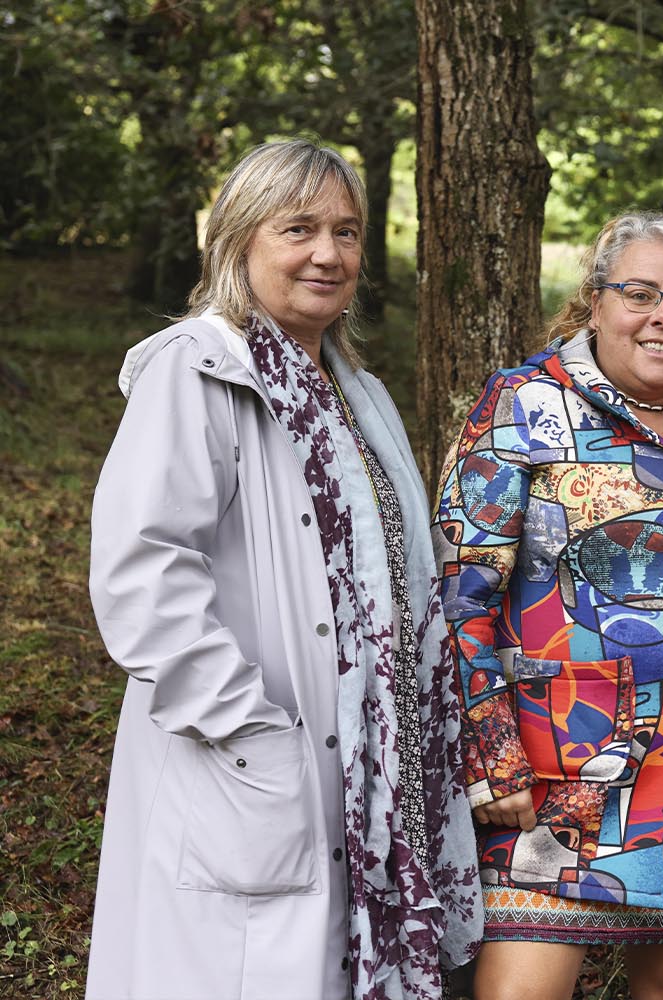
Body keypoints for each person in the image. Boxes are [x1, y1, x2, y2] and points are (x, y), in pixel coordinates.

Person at [87, 138, 482, 1000]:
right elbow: (142, 575)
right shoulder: (197, 369)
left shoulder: (356, 390)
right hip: (250, 759)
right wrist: (252, 733)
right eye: (297, 229)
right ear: (239, 240)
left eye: (346, 231)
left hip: (364, 765)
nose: (328, 254)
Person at [433, 212, 663, 1000]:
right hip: (562, 780)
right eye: (640, 294)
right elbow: (458, 599)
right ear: (595, 303)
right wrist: (491, 760)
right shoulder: (523, 405)